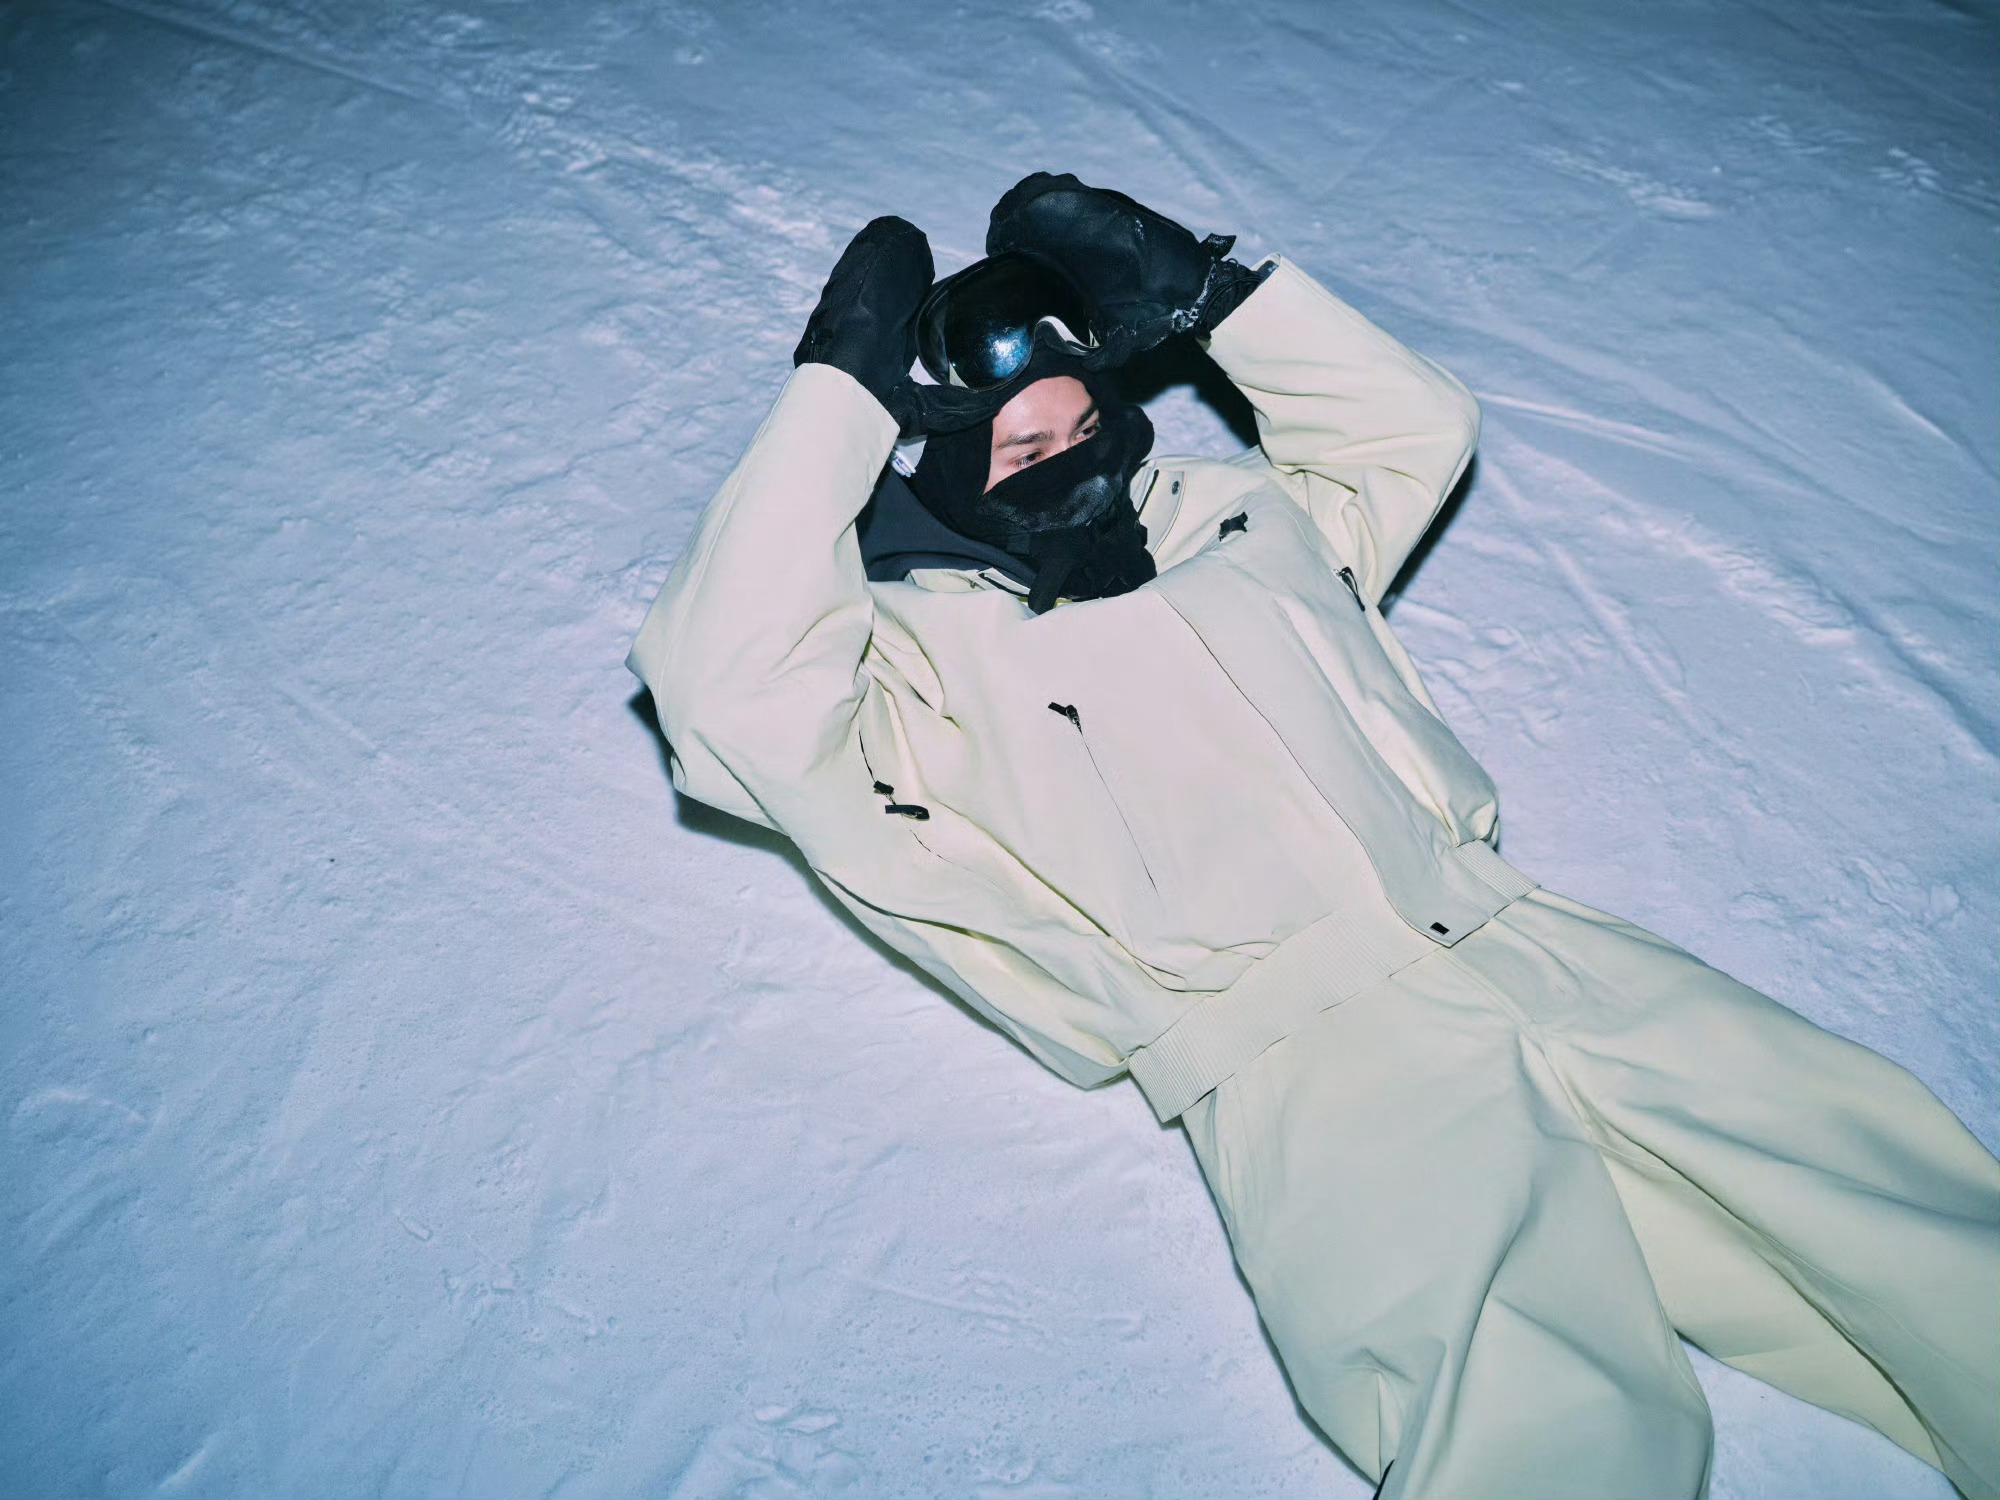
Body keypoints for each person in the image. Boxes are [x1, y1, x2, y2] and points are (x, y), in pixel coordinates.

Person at [628, 173, 1999, 1499]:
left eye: (1085, 421)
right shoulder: (906, 673)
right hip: (1307, 1062)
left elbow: (1410, 427)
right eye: (1024, 451)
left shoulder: (1241, 525)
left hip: (1527, 939)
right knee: (1531, 1416)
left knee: (1897, 1211)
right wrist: (837, 399)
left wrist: (1214, 297)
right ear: (935, 470)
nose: (1075, 464)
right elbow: (728, 696)